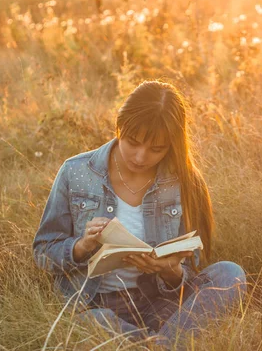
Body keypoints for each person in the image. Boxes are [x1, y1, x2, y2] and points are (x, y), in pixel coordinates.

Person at [32, 81, 247, 348]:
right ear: (120, 125)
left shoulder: (185, 182)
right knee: (91, 322)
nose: (140, 156)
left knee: (230, 274)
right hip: (95, 305)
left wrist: (169, 270)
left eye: (156, 149)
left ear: (172, 144)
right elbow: (43, 251)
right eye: (133, 142)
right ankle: (165, 344)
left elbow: (191, 266)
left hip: (161, 302)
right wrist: (82, 246)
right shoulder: (76, 172)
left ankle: (149, 344)